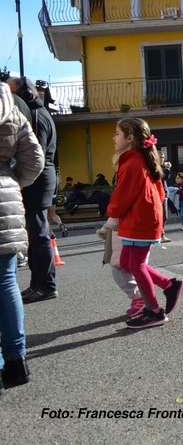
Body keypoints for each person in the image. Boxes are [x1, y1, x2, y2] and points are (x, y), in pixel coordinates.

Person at [106, 118, 183, 329]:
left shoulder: (132, 162)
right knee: (126, 263)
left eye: (117, 133)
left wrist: (111, 212)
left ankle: (154, 310)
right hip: (140, 220)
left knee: (136, 265)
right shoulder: (141, 159)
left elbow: (122, 195)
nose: (113, 138)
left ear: (130, 138)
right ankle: (168, 284)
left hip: (140, 221)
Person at [0, 81, 45, 395]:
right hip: (5, 198)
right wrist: (11, 180)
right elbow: (35, 160)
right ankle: (16, 362)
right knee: (6, 282)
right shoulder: (11, 110)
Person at [8, 77, 58, 304]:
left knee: (38, 233)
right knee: (36, 232)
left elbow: (34, 152)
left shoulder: (35, 116)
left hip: (38, 177)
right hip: (41, 175)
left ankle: (46, 285)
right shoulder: (39, 113)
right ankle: (38, 283)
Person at [98, 152, 143, 318]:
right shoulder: (125, 185)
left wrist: (106, 228)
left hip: (124, 235)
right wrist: (105, 229)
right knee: (129, 268)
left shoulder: (129, 186)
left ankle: (138, 298)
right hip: (119, 234)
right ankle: (140, 298)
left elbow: (116, 210)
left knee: (121, 269)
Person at [158, 152, 172, 243]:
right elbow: (165, 176)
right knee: (160, 216)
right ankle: (160, 235)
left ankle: (161, 235)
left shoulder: (161, 168)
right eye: (160, 157)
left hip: (164, 194)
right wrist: (167, 168)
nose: (162, 159)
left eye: (163, 157)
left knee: (164, 217)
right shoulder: (155, 168)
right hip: (158, 195)